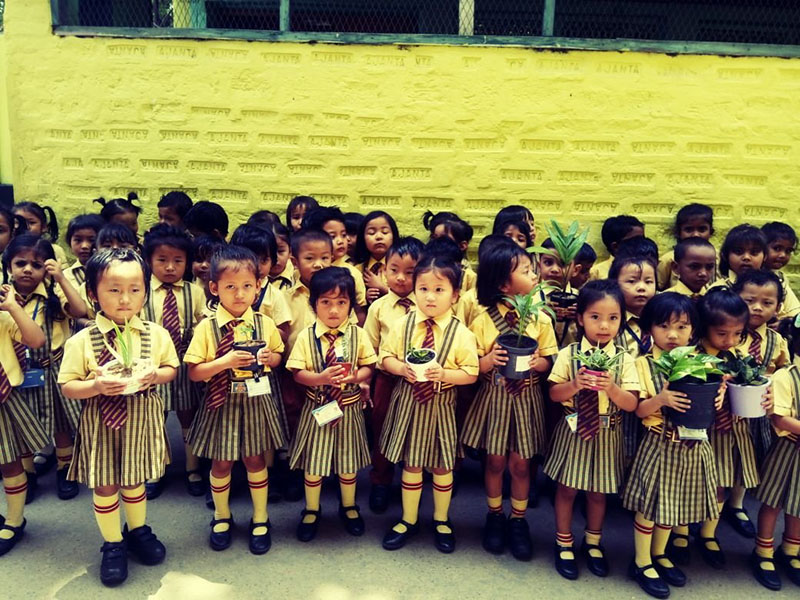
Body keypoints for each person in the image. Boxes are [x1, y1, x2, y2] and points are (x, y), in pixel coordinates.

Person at [58, 248, 179, 586]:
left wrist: (155, 375)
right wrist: (95, 385)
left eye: (134, 289)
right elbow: (67, 386)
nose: (125, 299)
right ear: (93, 293)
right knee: (106, 483)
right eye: (114, 289)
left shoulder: (156, 334)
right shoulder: (82, 341)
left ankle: (138, 529)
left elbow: (171, 368)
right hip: (100, 423)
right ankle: (113, 543)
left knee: (134, 479)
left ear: (145, 291)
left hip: (140, 420)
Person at [185, 245, 285, 556]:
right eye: (230, 287)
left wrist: (270, 358)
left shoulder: (265, 323)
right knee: (222, 461)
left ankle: (260, 517)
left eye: (246, 286)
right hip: (221, 403)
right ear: (214, 288)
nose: (239, 294)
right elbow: (194, 372)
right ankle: (221, 516)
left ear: (258, 287)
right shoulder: (207, 327)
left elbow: (278, 357)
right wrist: (224, 362)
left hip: (255, 400)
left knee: (255, 459)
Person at [461, 242, 557, 561]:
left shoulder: (540, 319)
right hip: (495, 397)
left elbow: (549, 361)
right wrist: (489, 360)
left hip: (526, 398)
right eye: (527, 271)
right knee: (494, 461)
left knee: (520, 463)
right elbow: (472, 366)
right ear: (504, 284)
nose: (534, 275)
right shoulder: (483, 320)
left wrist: (538, 364)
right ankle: (494, 515)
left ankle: (518, 519)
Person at [623, 293, 722, 598]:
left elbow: (712, 398)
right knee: (650, 506)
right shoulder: (642, 364)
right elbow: (639, 410)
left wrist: (718, 397)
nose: (672, 335)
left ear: (693, 330)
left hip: (692, 445)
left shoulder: (701, 363)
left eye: (681, 327)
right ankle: (641, 562)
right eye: (663, 326)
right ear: (649, 329)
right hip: (659, 442)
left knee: (672, 504)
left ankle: (660, 554)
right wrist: (661, 399)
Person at [379, 254, 479, 553]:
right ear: (414, 291)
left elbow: (471, 373)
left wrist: (445, 374)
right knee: (411, 463)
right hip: (409, 402)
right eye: (423, 289)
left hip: (441, 407)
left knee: (441, 464)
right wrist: (401, 369)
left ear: (455, 295)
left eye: (439, 290)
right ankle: (408, 519)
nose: (430, 297)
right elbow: (385, 357)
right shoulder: (403, 325)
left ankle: (441, 519)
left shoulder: (462, 333)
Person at [545, 280, 639, 580]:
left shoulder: (624, 360)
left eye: (613, 318)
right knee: (567, 488)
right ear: (580, 318)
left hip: (607, 431)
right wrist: (575, 384)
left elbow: (631, 404)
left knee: (598, 492)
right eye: (595, 317)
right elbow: (554, 394)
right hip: (573, 428)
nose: (604, 325)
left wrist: (611, 388)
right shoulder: (569, 354)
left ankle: (594, 543)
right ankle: (563, 542)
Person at [286, 266, 377, 541]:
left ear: (351, 305)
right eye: (326, 302)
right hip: (318, 408)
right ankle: (311, 509)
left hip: (349, 408)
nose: (334, 310)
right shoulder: (306, 336)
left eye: (341, 302)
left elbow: (369, 366)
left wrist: (356, 376)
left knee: (348, 464)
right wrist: (320, 378)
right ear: (314, 304)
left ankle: (348, 506)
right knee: (313, 465)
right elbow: (297, 374)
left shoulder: (358, 334)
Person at [2, 235, 87, 501]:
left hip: (52, 368)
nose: (28, 269)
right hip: (20, 371)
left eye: (37, 265)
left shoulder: (53, 292)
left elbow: (80, 310)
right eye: (21, 263)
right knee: (24, 424)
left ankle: (65, 467)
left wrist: (60, 277)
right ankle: (28, 473)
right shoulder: (5, 296)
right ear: (8, 265)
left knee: (60, 422)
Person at [695, 288, 772, 569]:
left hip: (732, 432)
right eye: (722, 333)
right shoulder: (693, 357)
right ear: (704, 328)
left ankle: (708, 534)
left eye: (738, 333)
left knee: (722, 483)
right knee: (691, 484)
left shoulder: (738, 356)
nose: (730, 340)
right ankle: (679, 532)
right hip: (705, 433)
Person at [141, 224, 206, 498]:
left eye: (178, 261)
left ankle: (192, 467)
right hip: (152, 365)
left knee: (188, 413)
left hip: (185, 360)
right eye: (162, 260)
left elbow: (202, 324)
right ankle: (155, 468)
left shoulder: (195, 292)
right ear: (148, 261)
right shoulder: (141, 292)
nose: (170, 267)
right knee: (154, 416)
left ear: (187, 262)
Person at [363, 236, 424, 513]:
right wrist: (366, 381)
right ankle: (381, 480)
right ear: (384, 270)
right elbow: (369, 348)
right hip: (387, 378)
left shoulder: (427, 304)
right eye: (394, 270)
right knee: (382, 427)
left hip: (419, 381)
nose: (401, 278)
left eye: (410, 272)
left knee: (416, 429)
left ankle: (414, 479)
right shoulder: (378, 307)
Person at [0, 279, 49, 556]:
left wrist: (13, 308)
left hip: (3, 398)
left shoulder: (4, 319)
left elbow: (36, 340)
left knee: (9, 462)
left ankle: (14, 520)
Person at [752, 322, 800, 590]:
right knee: (773, 502)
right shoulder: (786, 376)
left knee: (798, 505)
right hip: (788, 449)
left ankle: (791, 550)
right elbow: (779, 418)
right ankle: (763, 552)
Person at [657, 203, 715, 290]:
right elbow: (656, 289)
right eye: (689, 229)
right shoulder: (668, 260)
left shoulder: (718, 258)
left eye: (702, 229)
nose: (695, 234)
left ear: (710, 232)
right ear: (679, 233)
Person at [424, 211, 476, 291]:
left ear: (462, 246)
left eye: (443, 239)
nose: (437, 243)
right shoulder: (426, 265)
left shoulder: (468, 276)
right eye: (434, 238)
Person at [354, 210, 398, 304]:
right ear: (363, 238)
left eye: (385, 232)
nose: (379, 237)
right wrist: (364, 298)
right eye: (371, 233)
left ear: (394, 235)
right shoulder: (357, 270)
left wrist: (383, 288)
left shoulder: (401, 269)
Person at [761, 221, 800, 320]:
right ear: (761, 247)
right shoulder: (748, 279)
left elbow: (796, 313)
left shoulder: (779, 278)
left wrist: (785, 323)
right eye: (777, 248)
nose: (783, 255)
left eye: (788, 251)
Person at [711, 224, 767, 290]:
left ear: (765, 256)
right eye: (738, 251)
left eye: (754, 252)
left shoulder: (770, 288)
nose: (746, 257)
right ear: (726, 255)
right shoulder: (718, 289)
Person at [13, 201, 68, 266]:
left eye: (31, 222)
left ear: (44, 227)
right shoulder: (8, 249)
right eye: (18, 222)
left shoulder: (55, 250)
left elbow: (63, 271)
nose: (26, 227)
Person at [589, 216, 645, 281]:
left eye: (643, 240)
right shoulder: (597, 272)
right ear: (615, 247)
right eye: (635, 241)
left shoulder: (646, 268)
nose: (641, 244)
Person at [63, 214, 105, 293]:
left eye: (92, 240)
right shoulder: (65, 276)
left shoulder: (110, 270)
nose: (84, 246)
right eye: (78, 240)